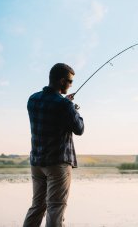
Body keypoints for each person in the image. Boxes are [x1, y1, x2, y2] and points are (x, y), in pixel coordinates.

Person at [23, 63, 84, 227]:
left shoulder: (33, 99)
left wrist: (66, 104)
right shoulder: (64, 105)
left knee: (37, 207)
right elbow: (79, 129)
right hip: (57, 164)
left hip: (37, 163)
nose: (71, 85)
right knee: (55, 208)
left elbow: (51, 110)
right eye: (70, 81)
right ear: (62, 80)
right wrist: (73, 108)